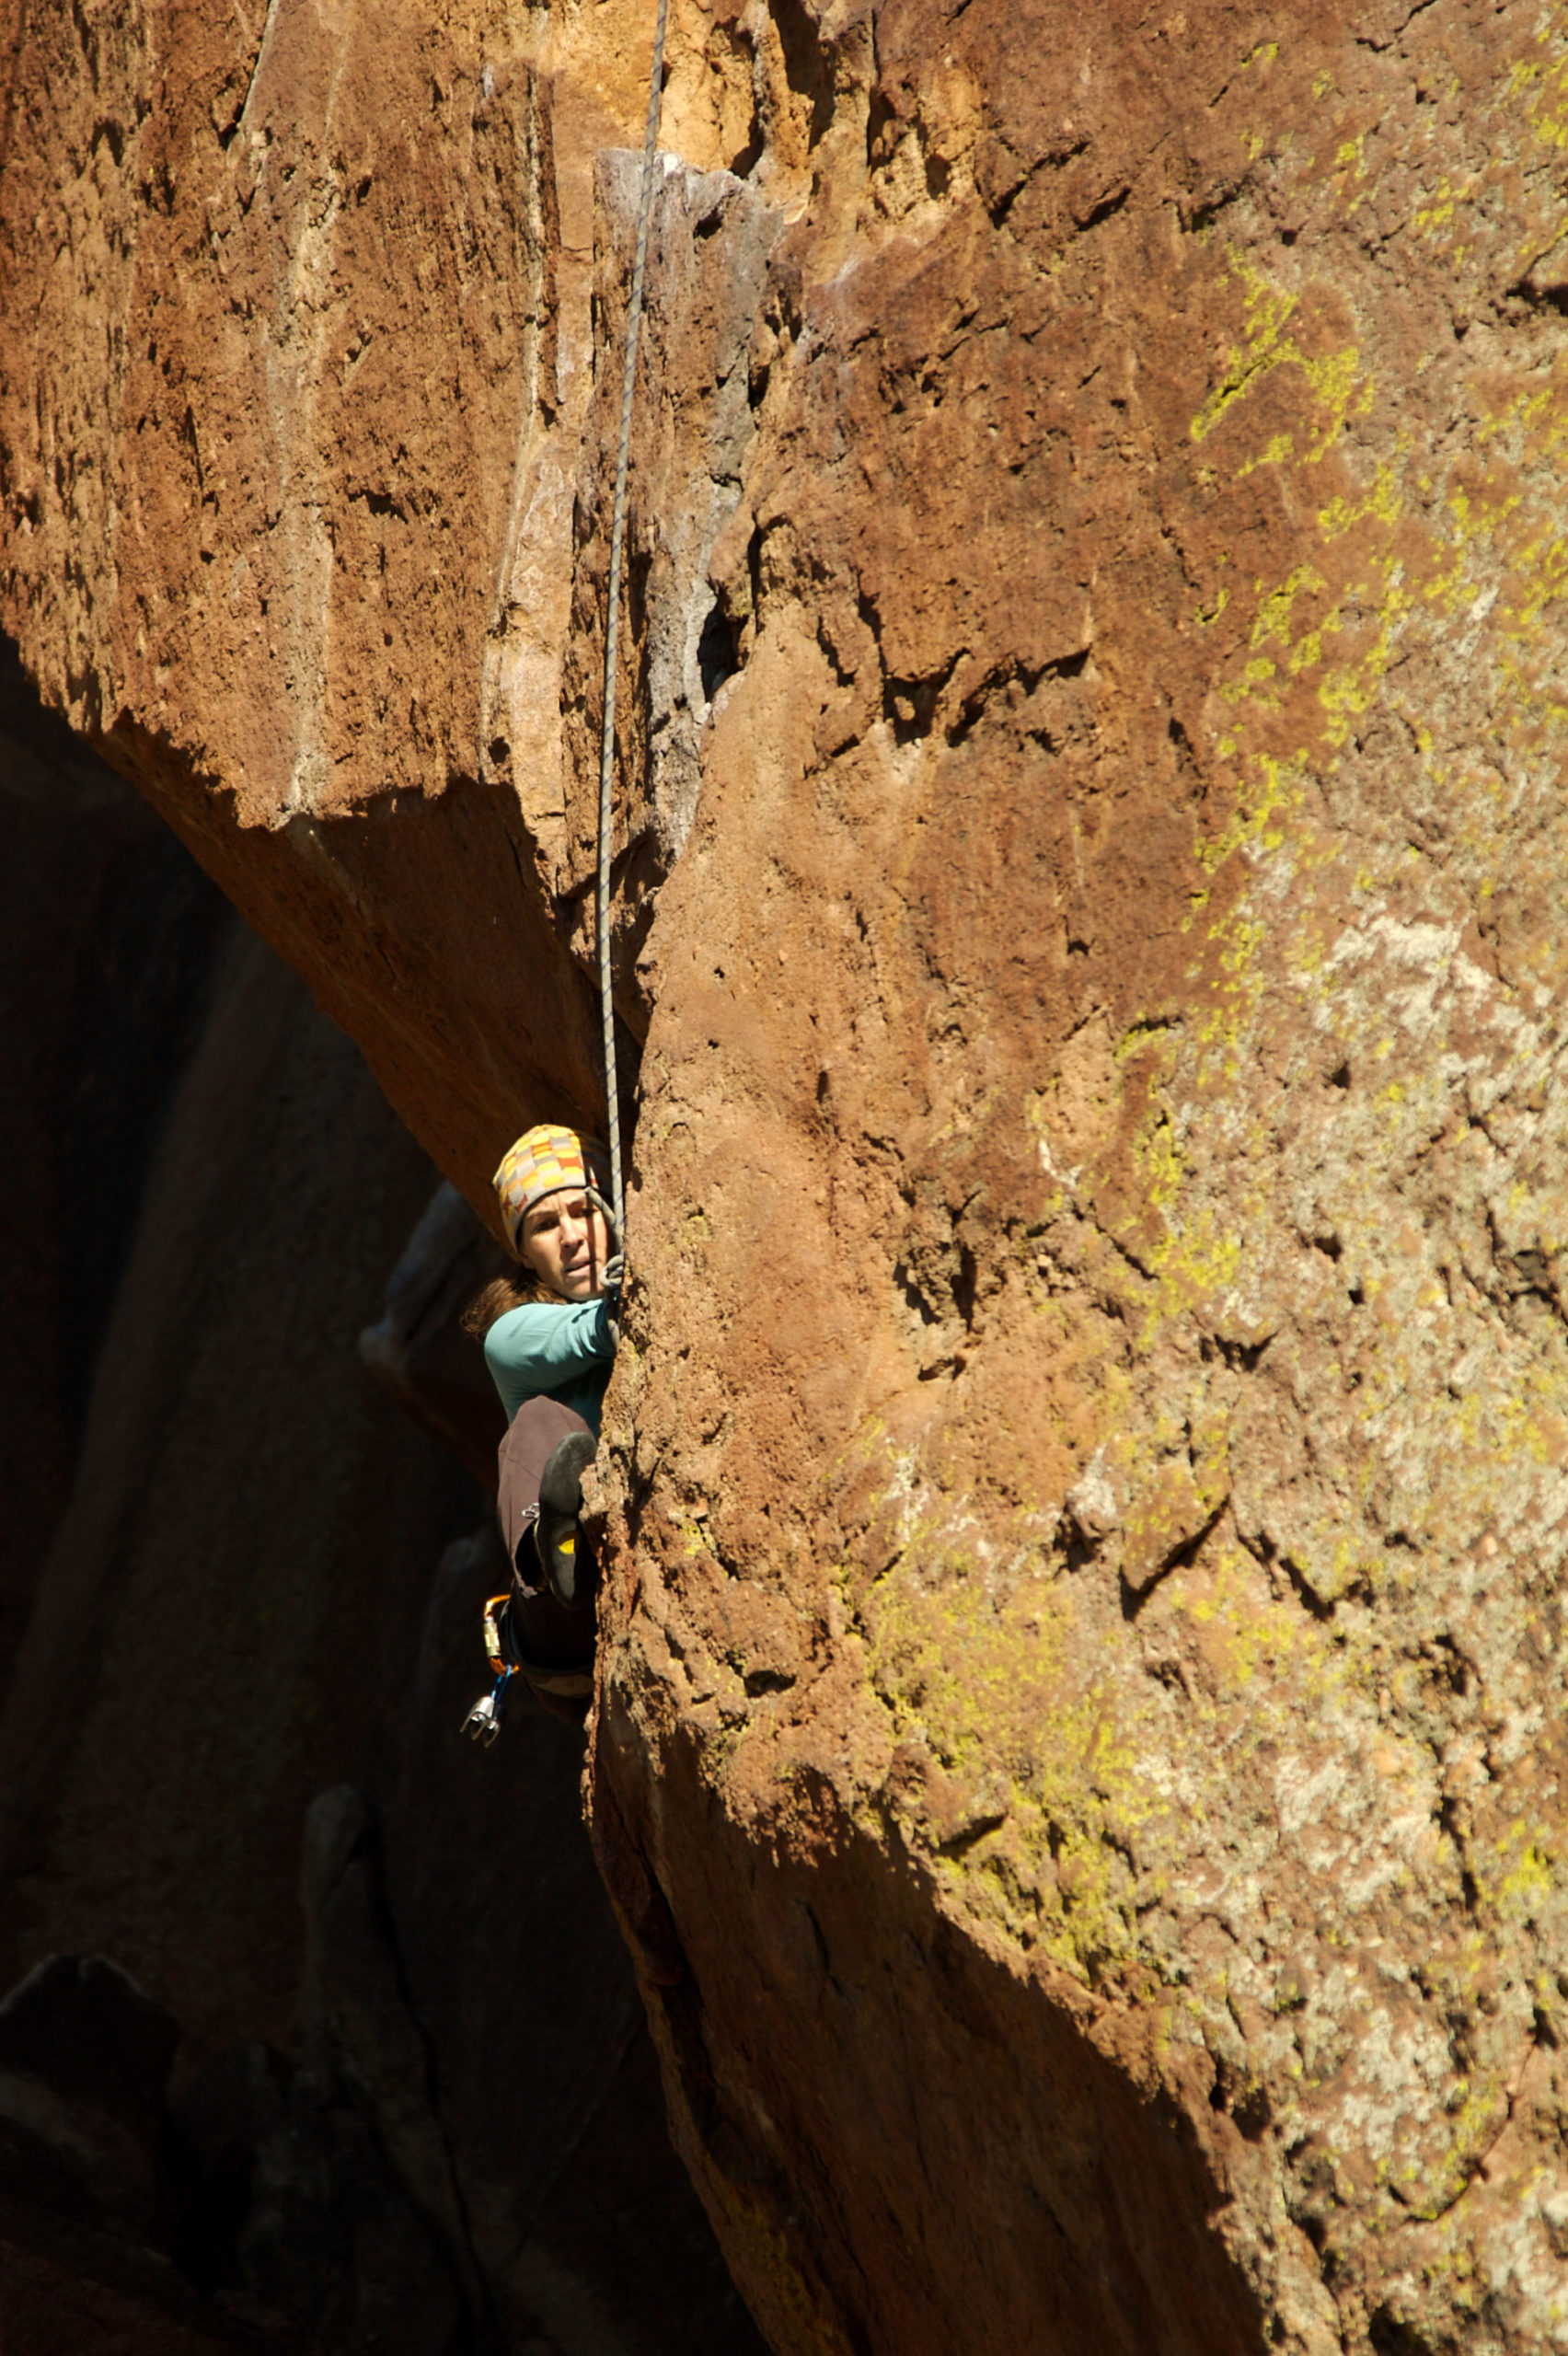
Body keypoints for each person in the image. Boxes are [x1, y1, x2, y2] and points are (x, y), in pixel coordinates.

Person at [459, 1124, 619, 1736]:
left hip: (622, 1579)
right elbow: (591, 1331)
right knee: (540, 1423)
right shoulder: (510, 1337)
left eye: (584, 1210)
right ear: (525, 1254)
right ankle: (554, 1558)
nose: (574, 1236)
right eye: (546, 1225)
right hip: (562, 1635)